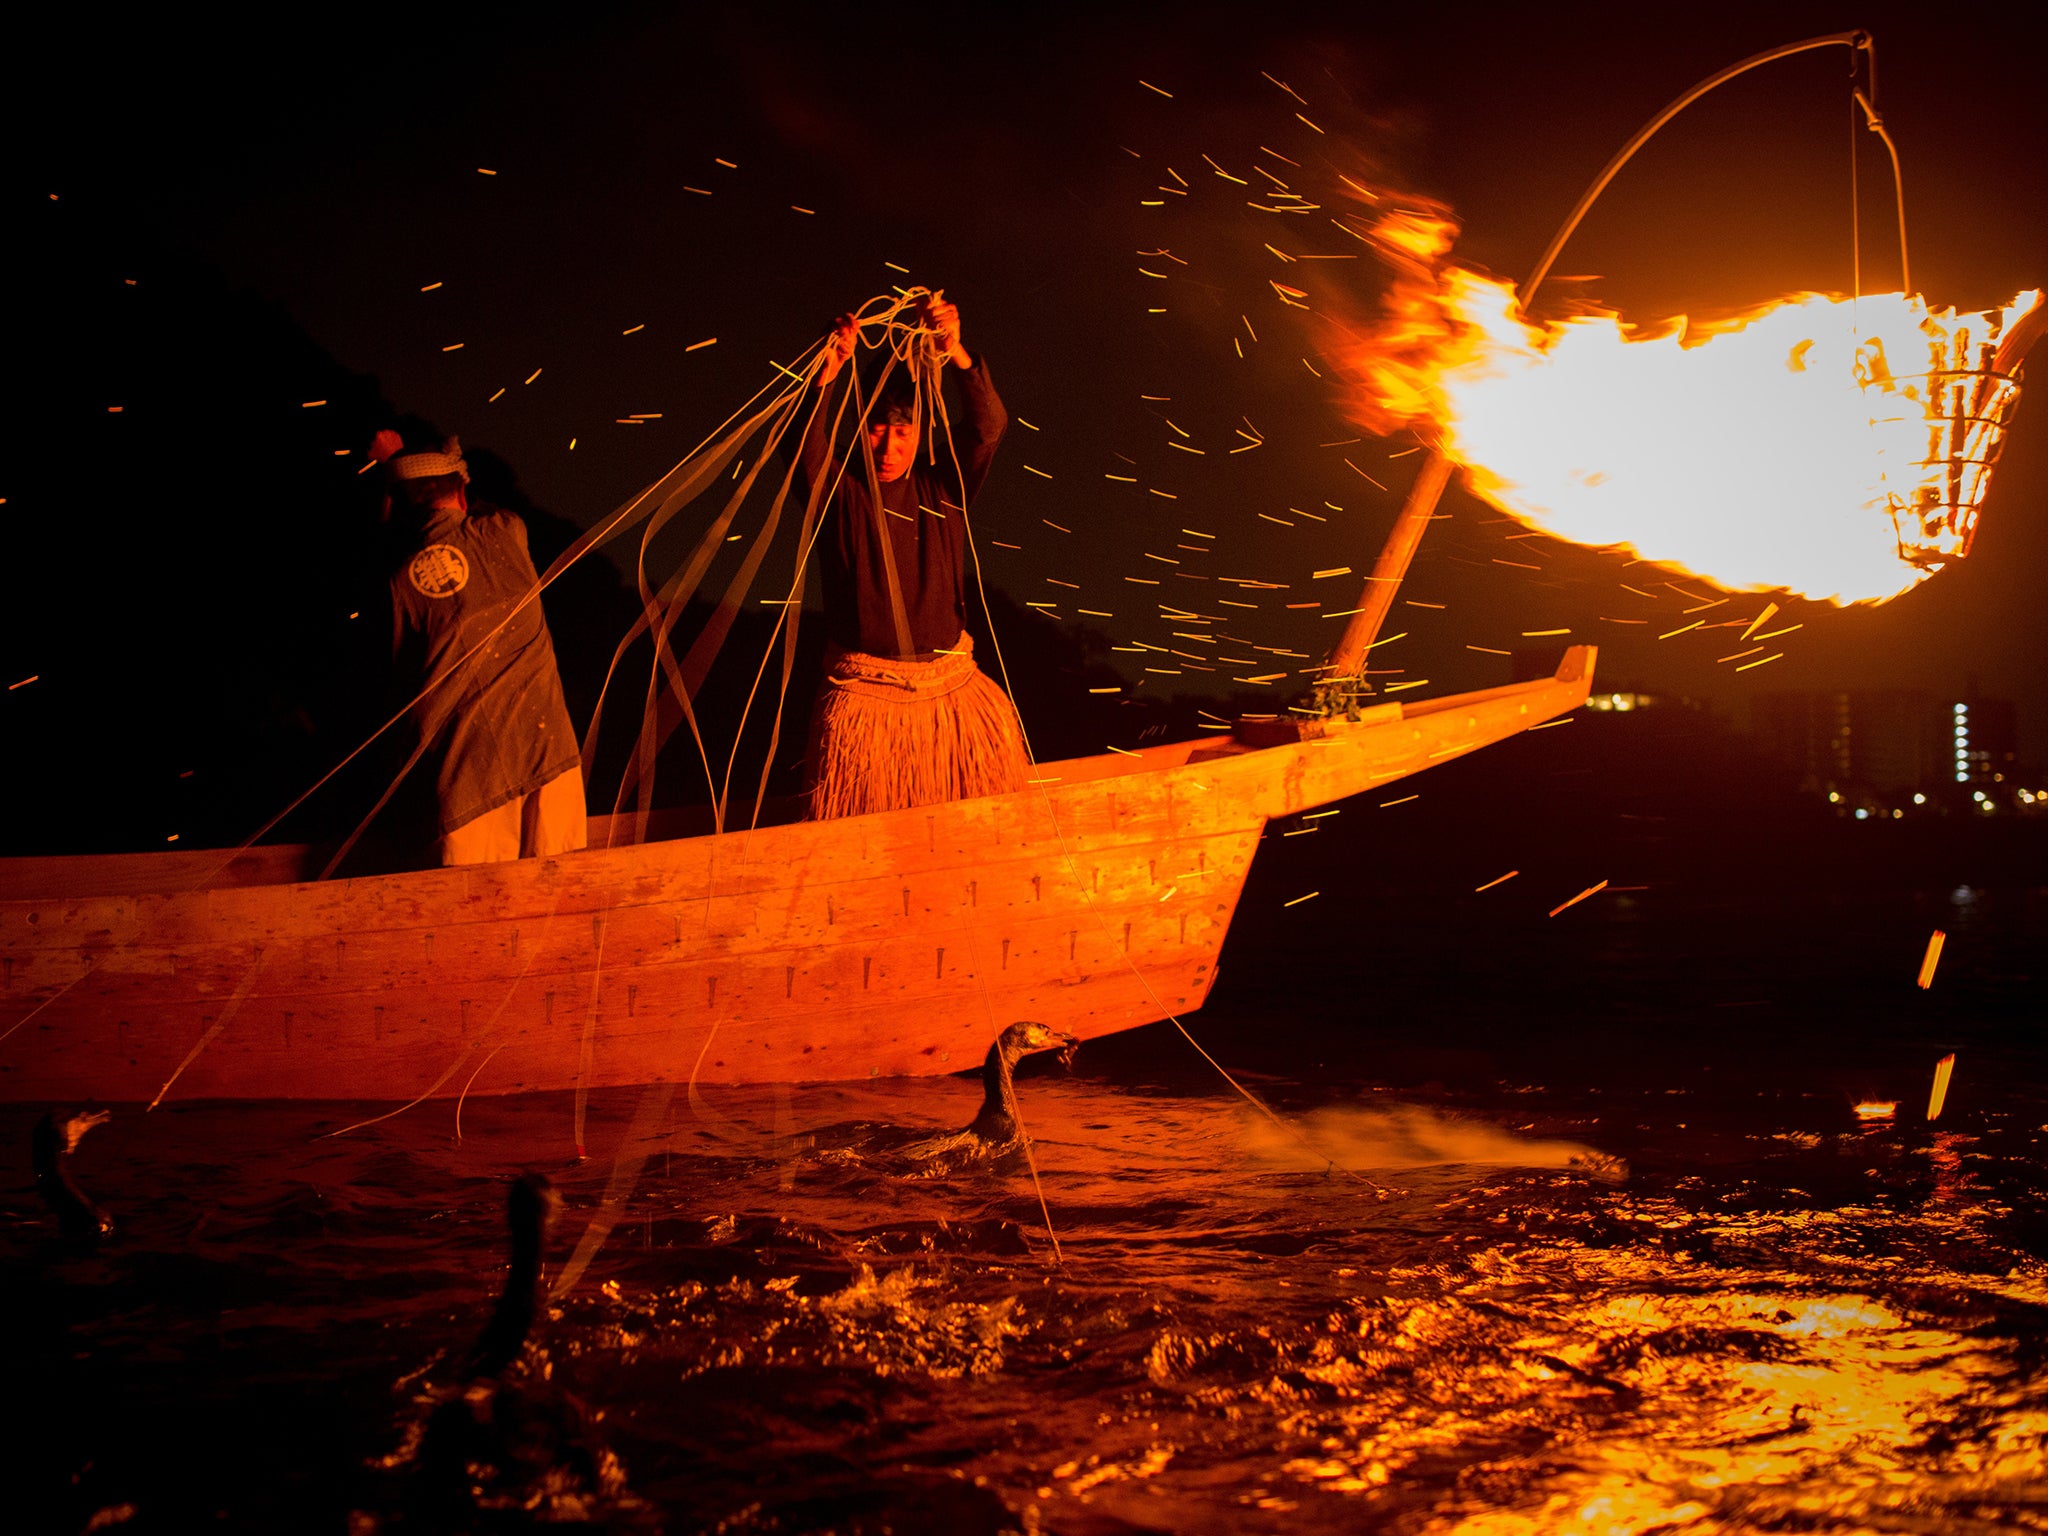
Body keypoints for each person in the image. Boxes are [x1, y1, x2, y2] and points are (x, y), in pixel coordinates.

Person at [796, 293, 1029, 819]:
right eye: (878, 429)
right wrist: (828, 375)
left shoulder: (943, 486)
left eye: (902, 432)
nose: (888, 447)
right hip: (865, 705)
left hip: (952, 698)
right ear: (860, 430)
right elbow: (803, 450)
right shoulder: (840, 492)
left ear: (919, 433)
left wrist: (956, 352)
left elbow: (989, 427)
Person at [372, 432, 588, 865]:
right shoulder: (505, 529)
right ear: (463, 489)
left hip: (462, 780)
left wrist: (392, 465)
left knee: (472, 906)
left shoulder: (393, 575)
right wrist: (423, 465)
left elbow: (393, 527)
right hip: (547, 757)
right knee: (560, 893)